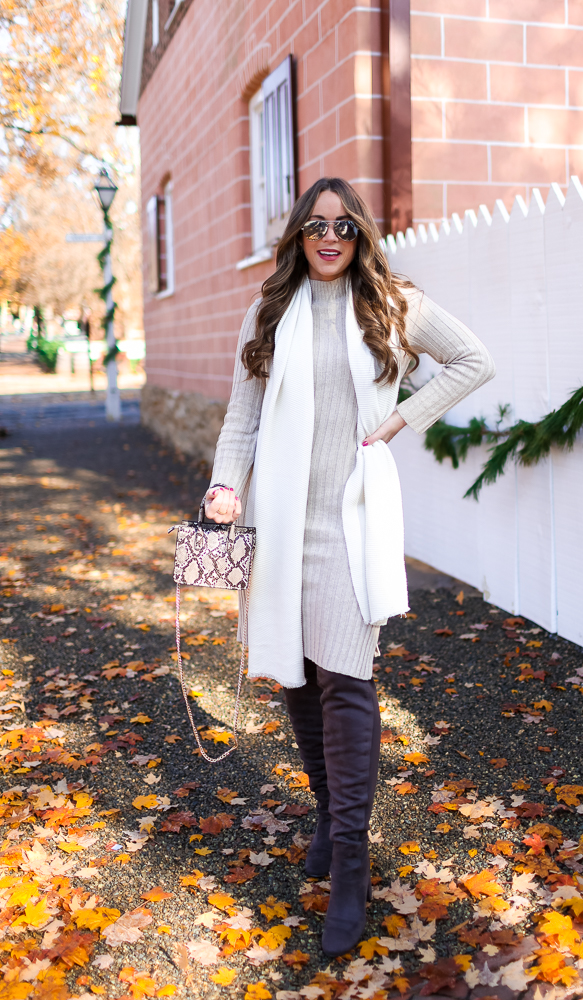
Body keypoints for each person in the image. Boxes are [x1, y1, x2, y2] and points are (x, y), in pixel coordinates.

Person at [204, 177, 495, 956]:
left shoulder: (393, 304)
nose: (328, 237)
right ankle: (332, 824)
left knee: (347, 680)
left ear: (361, 234)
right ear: (298, 236)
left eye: (343, 225)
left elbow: (473, 360)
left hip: (350, 519)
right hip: (282, 521)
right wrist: (225, 485)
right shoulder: (267, 312)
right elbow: (243, 416)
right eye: (314, 226)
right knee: (297, 675)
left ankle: (350, 865)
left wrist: (398, 421)